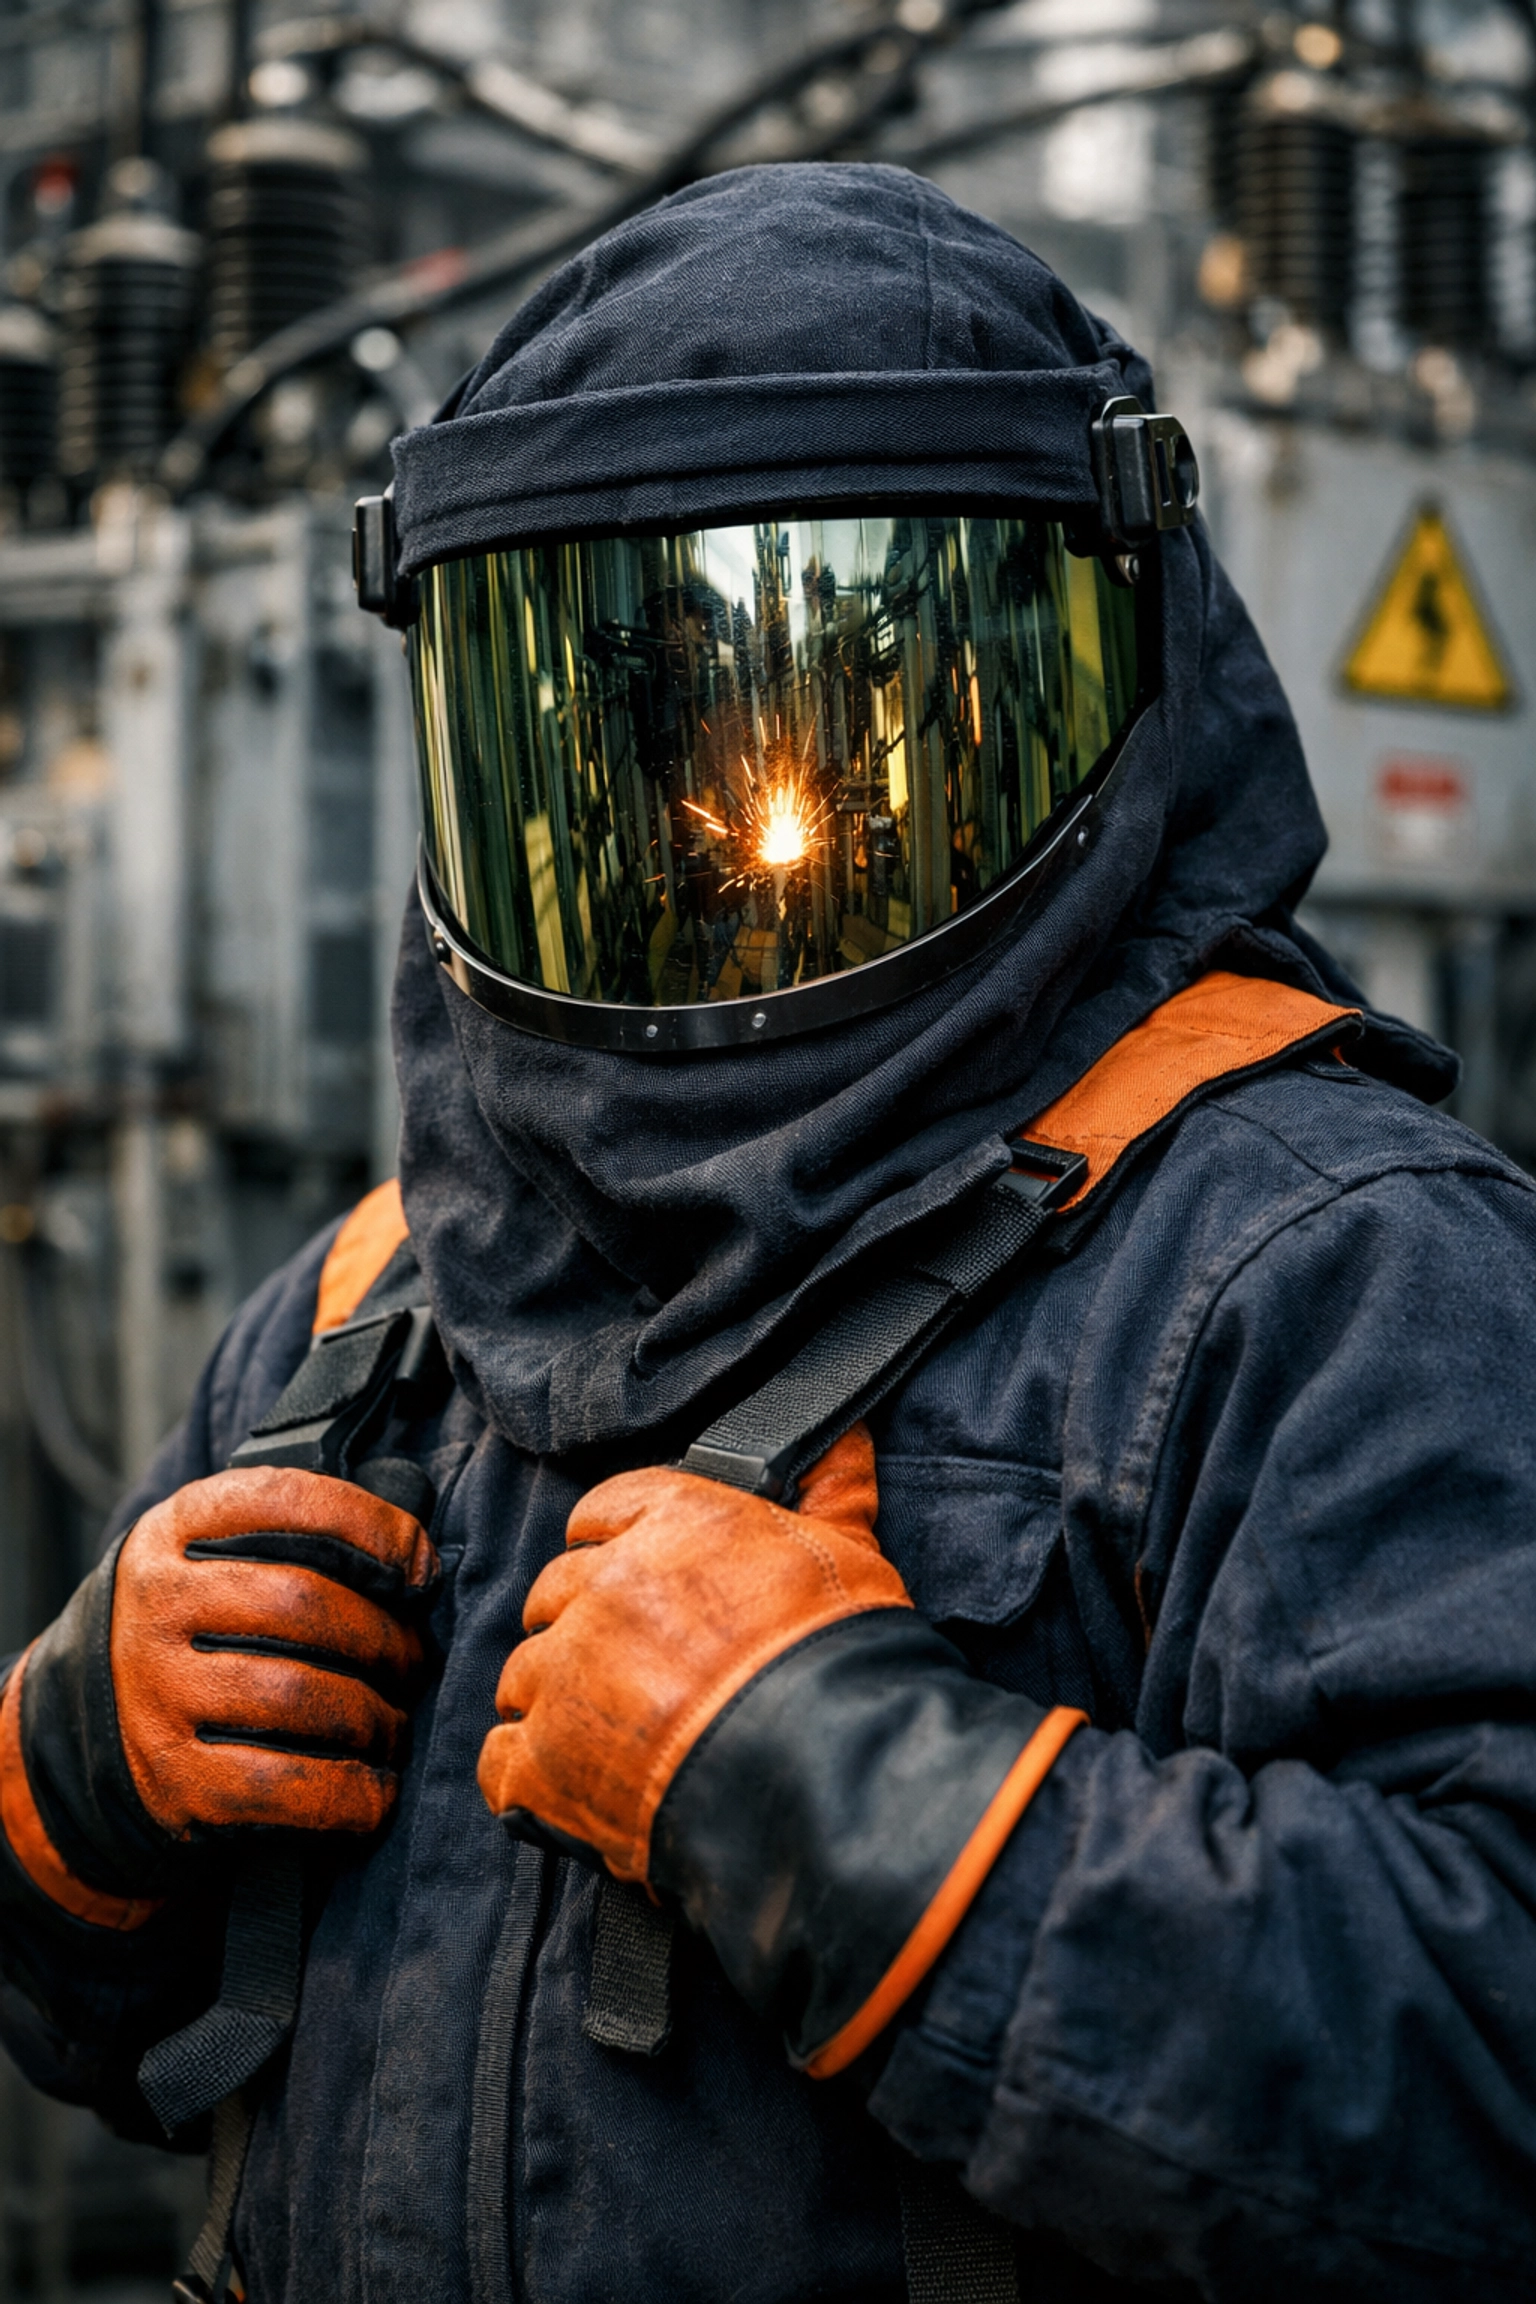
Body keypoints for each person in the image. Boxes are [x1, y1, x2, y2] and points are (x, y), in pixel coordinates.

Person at [1, 162, 1534, 2304]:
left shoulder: (1326, 1274)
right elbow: (119, 2054)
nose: (736, 849)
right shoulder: (367, 1315)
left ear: (1113, 646)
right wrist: (73, 1790)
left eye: (841, 737)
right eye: (633, 745)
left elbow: (1489, 2074)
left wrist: (844, 1792)